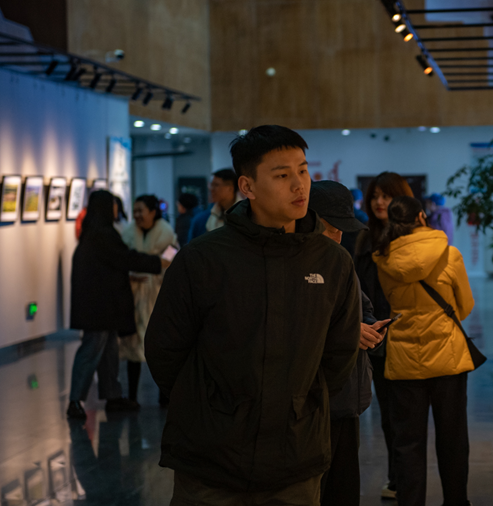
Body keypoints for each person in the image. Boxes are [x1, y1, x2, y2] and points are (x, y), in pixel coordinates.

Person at [145, 125, 361, 505]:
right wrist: (209, 408)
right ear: (248, 186)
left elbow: (339, 353)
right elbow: (166, 349)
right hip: (210, 461)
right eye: (282, 175)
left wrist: (301, 403)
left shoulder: (333, 262)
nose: (299, 184)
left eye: (303, 170)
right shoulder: (203, 259)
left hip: (295, 458)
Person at [373, 196, 475, 506]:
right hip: (448, 359)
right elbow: (465, 307)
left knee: (407, 443)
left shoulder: (384, 259)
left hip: (404, 360)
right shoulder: (449, 254)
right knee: (453, 439)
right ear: (421, 216)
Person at [308, 180, 391, 506]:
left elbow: (363, 308)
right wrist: (349, 331)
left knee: (343, 488)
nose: (339, 236)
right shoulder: (293, 267)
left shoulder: (340, 261)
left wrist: (371, 329)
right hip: (314, 401)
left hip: (348, 398)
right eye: (332, 228)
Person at [67, 190, 166, 419]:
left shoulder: (94, 233)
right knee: (92, 349)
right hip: (99, 306)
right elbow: (125, 258)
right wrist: (157, 263)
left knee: (109, 350)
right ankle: (75, 400)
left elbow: (116, 262)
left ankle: (113, 395)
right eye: (113, 204)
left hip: (103, 306)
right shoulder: (102, 235)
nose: (116, 208)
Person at [354, 171, 414, 500]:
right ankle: (396, 477)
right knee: (388, 415)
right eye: (375, 196)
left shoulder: (411, 239)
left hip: (406, 336)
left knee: (404, 414)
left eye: (386, 196)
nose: (379, 202)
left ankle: (405, 479)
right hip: (376, 336)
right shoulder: (365, 238)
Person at [120, 194, 178, 405]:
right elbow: (122, 260)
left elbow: (172, 257)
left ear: (153, 212)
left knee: (160, 345)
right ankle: (132, 396)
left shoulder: (166, 233)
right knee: (133, 346)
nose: (137, 215)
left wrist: (158, 271)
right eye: (134, 211)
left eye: (141, 211)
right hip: (134, 294)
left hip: (157, 293)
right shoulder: (127, 233)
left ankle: (164, 395)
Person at [187, 168, 239, 241]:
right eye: (212, 185)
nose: (212, 189)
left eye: (216, 185)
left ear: (230, 188)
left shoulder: (245, 215)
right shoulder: (203, 220)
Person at [339, 188, 369, 255]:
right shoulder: (363, 217)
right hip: (357, 253)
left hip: (342, 253)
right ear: (361, 201)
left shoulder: (339, 215)